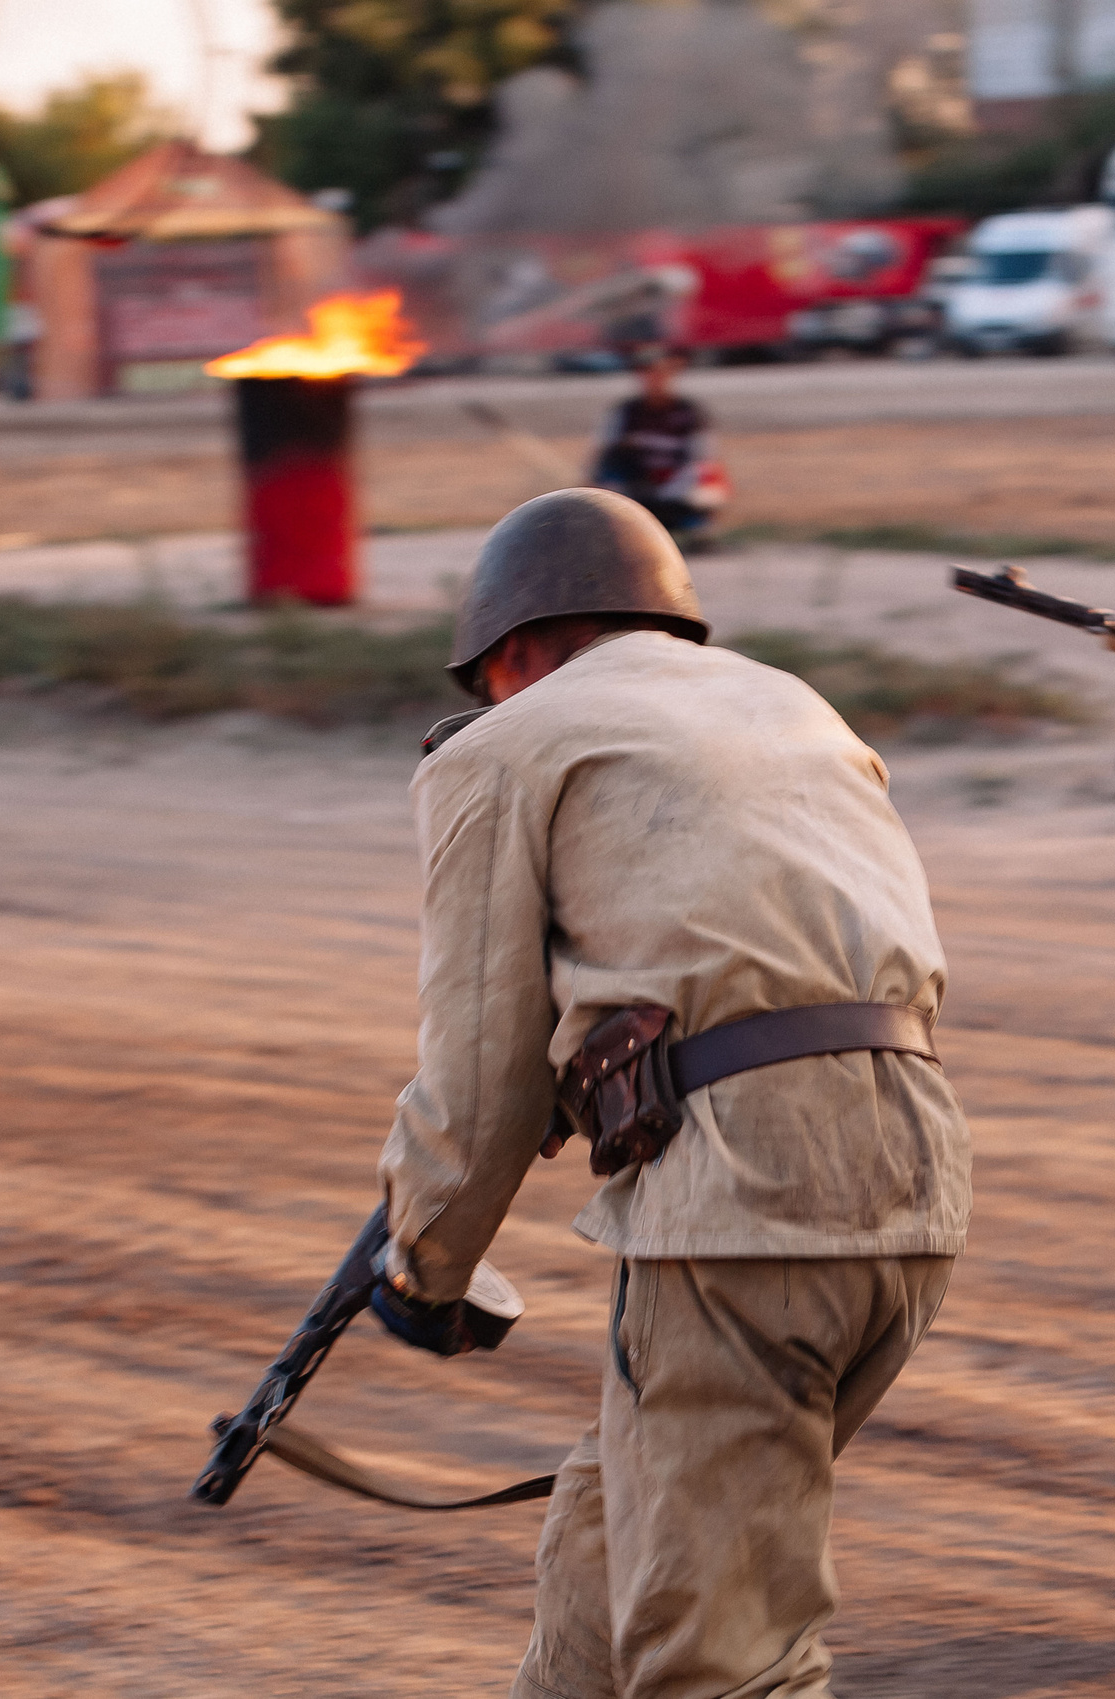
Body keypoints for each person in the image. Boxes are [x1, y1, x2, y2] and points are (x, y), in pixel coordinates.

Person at [373, 487, 970, 1699]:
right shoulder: (795, 709)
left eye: (490, 682)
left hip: (747, 1208)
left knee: (720, 1659)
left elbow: (478, 1073)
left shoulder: (503, 746)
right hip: (914, 1182)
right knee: (608, 1565)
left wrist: (426, 1268)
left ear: (516, 651)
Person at [590, 347, 721, 549]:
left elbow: (703, 455)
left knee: (706, 476)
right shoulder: (626, 412)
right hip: (636, 484)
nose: (655, 378)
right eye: (649, 372)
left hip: (676, 482)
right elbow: (605, 452)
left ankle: (697, 529)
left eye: (661, 372)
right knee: (608, 472)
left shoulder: (688, 412)